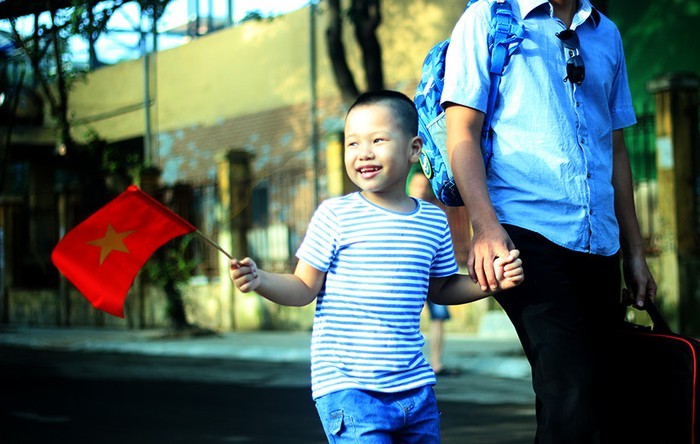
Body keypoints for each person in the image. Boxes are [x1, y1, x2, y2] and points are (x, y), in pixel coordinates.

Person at [230, 90, 524, 443]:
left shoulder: (432, 221)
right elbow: (303, 287)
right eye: (352, 144)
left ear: (413, 148)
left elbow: (442, 288)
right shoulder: (335, 216)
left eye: (377, 140)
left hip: (416, 389)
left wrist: (491, 283)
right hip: (350, 389)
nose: (363, 152)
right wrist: (259, 279)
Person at [441, 0, 657, 443]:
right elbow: (462, 131)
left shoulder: (606, 33)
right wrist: (485, 228)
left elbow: (615, 149)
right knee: (571, 389)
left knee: (594, 395)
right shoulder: (487, 18)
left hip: (600, 242)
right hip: (525, 234)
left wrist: (635, 251)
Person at [407, 166, 460, 377]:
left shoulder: (435, 215)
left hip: (434, 276)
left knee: (438, 318)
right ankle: (410, 365)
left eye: (423, 186)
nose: (420, 189)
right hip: (410, 278)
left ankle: (436, 363)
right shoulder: (401, 211)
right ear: (409, 186)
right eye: (416, 185)